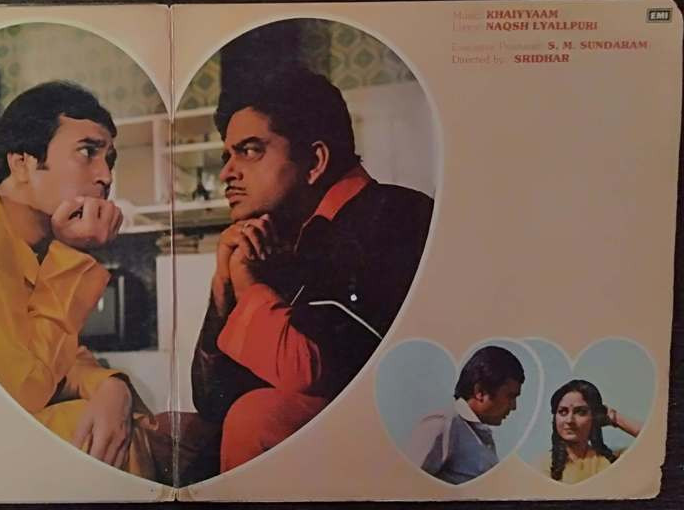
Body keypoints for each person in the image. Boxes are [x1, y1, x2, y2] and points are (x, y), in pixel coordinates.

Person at [190, 64, 434, 475]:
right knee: (164, 432)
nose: (227, 172)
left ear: (315, 161)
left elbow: (317, 378)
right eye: (226, 155)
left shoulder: (396, 215)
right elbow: (212, 400)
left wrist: (248, 287)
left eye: (250, 150)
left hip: (385, 442)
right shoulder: (281, 240)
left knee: (257, 417)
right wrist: (224, 287)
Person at [0, 81, 155, 479]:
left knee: (113, 422)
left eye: (109, 159)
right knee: (95, 433)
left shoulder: (34, 250)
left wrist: (113, 387)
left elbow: (62, 361)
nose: (105, 176)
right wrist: (75, 253)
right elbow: (20, 390)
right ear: (22, 163)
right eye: (88, 152)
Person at [407, 345, 524, 484]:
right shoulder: (442, 425)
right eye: (510, 396)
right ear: (480, 391)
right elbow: (405, 484)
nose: (514, 407)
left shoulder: (478, 434)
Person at [534, 379, 641, 484]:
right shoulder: (543, 466)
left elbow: (649, 441)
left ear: (594, 417)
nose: (570, 420)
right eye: (563, 412)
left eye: (580, 412)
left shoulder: (611, 460)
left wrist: (614, 418)